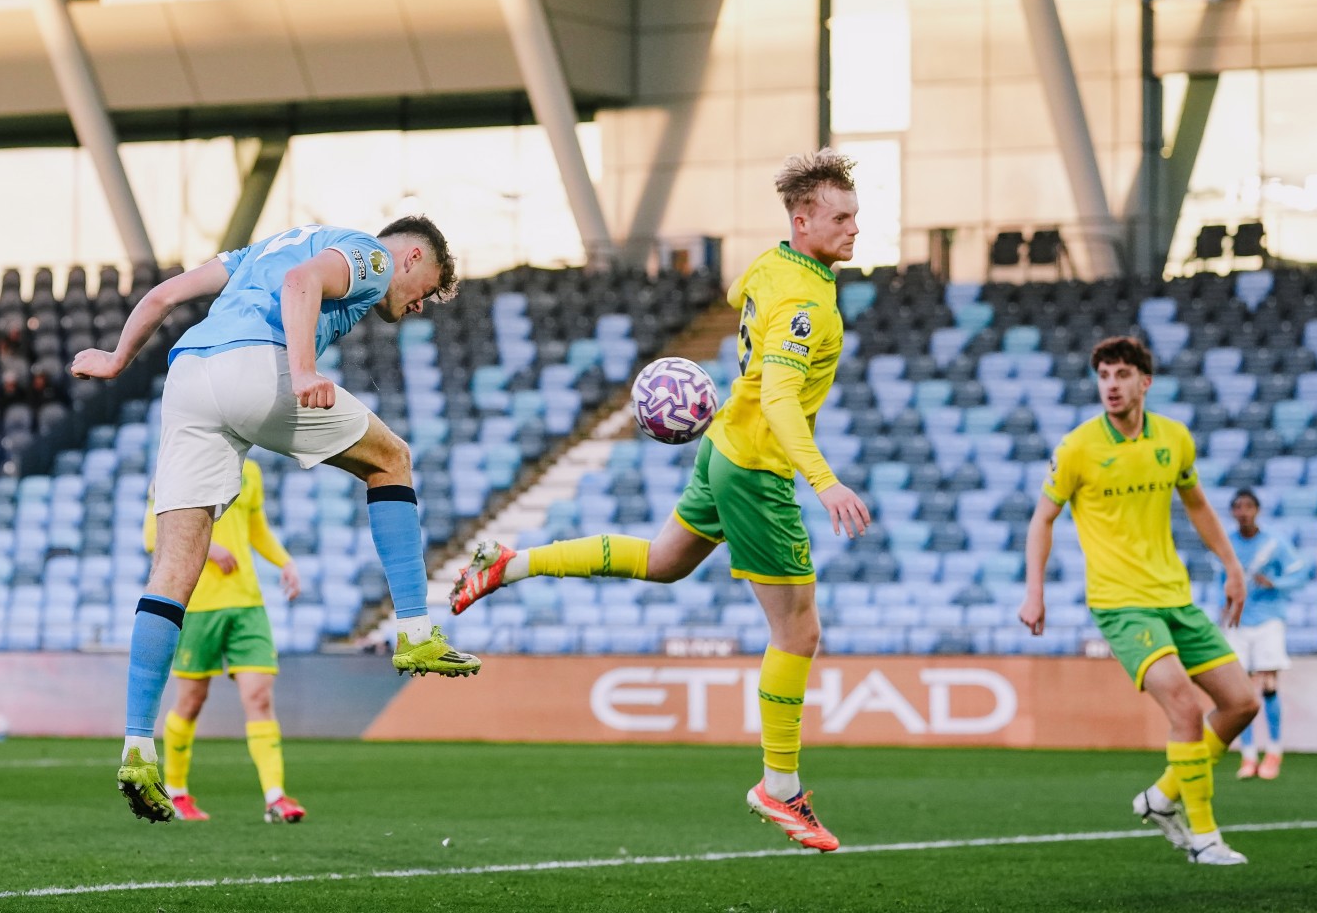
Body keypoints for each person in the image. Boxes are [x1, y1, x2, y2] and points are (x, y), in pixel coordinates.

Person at [451, 148, 871, 852]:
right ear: (803, 222)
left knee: (665, 560)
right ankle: (780, 786)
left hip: (722, 446)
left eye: (856, 215)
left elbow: (741, 294)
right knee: (798, 633)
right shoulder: (806, 301)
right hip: (758, 468)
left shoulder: (777, 266)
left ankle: (511, 564)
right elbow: (776, 394)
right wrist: (824, 481)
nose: (856, 228)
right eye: (841, 217)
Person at [70, 216, 471, 822]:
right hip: (258, 367)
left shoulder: (263, 246)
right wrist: (304, 369)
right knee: (393, 460)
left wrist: (118, 359)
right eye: (428, 289)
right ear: (414, 255)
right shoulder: (372, 256)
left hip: (187, 380)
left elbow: (164, 294)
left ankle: (136, 748)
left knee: (173, 570)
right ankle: (415, 632)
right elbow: (302, 282)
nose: (418, 304)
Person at [1020, 336, 1258, 866]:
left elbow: (1198, 505)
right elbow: (1043, 517)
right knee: (1185, 707)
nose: (1111, 385)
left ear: (1144, 382)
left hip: (1175, 597)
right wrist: (1034, 591)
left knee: (1243, 703)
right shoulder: (1078, 447)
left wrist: (1233, 566)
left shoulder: (1174, 439)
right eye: (1103, 375)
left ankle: (1163, 797)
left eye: (1122, 374)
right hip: (1120, 604)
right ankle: (1203, 838)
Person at [142, 458, 305, 824]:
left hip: (247, 603)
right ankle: (177, 792)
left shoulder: (251, 470)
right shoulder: (175, 467)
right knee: (191, 700)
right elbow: (152, 535)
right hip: (199, 603)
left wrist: (285, 562)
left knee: (260, 696)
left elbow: (256, 527)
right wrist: (207, 547)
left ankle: (275, 797)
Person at [1223, 488, 1311, 780]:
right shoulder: (1227, 544)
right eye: (1238, 507)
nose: (1243, 512)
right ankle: (1248, 756)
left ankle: (1273, 751)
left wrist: (1275, 582)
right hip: (1238, 621)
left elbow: (1300, 572)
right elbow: (1220, 580)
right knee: (1243, 692)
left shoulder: (1274, 543)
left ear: (1257, 510)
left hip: (1269, 620)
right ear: (1233, 512)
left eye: (1248, 506)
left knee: (1269, 685)